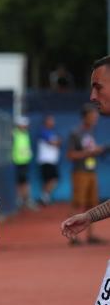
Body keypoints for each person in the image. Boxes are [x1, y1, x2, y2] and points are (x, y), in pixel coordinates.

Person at [61, 55, 110, 305]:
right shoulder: (79, 133)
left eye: (98, 87)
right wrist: (91, 216)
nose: (93, 96)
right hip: (81, 171)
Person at [67, 104, 106, 245]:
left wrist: (97, 151)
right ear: (85, 117)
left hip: (91, 172)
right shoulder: (75, 133)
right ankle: (72, 236)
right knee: (78, 203)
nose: (95, 118)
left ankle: (91, 235)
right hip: (80, 172)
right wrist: (89, 153)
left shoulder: (90, 132)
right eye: (92, 115)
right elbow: (70, 155)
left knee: (92, 204)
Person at [12, 116, 37, 210]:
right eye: (24, 125)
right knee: (20, 182)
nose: (25, 126)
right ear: (19, 125)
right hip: (17, 162)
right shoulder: (14, 134)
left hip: (25, 162)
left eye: (26, 125)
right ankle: (20, 201)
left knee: (24, 181)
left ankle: (24, 200)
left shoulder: (26, 134)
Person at [37, 115, 61, 205]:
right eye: (50, 120)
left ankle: (44, 197)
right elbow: (53, 142)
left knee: (51, 179)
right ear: (46, 121)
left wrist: (57, 142)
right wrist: (56, 142)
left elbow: (58, 142)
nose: (53, 122)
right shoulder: (43, 131)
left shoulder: (52, 132)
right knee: (52, 179)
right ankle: (44, 197)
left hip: (52, 160)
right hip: (46, 160)